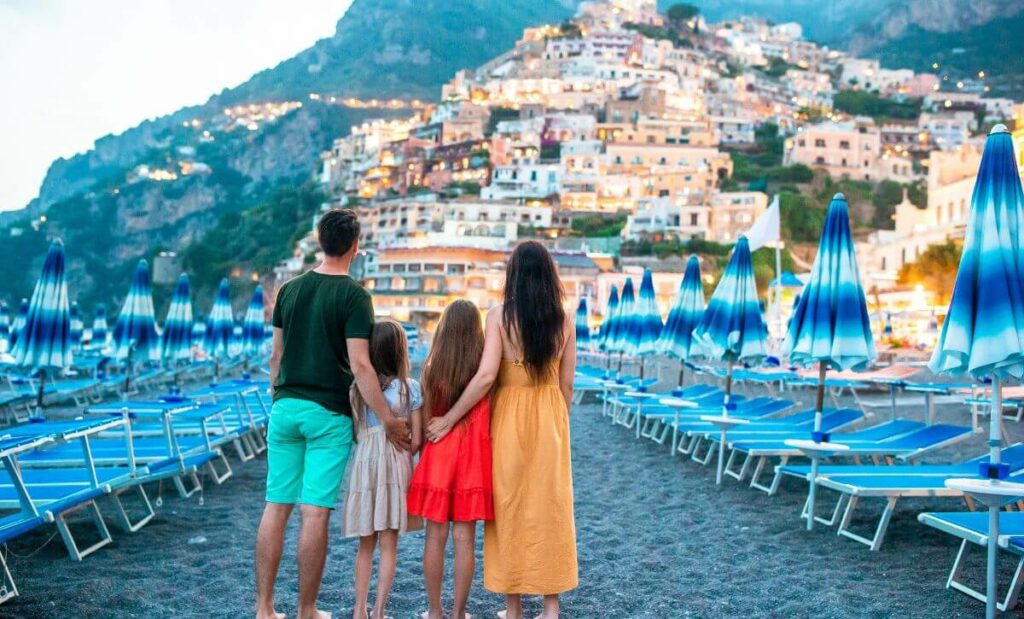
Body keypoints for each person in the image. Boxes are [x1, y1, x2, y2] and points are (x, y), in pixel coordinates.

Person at [255, 208, 411, 619]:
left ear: (319, 241)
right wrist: (389, 419)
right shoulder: (355, 296)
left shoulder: (289, 290)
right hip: (328, 413)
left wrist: (280, 396)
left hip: (285, 407)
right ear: (356, 247)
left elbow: (276, 357)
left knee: (276, 506)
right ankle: (307, 609)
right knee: (314, 511)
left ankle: (264, 608)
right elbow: (361, 366)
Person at [426, 241, 578, 619]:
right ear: (549, 276)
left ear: (514, 275)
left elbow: (486, 377)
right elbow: (568, 385)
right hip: (549, 415)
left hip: (508, 414)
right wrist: (558, 420)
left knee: (508, 508)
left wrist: (450, 417)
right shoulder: (565, 317)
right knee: (551, 507)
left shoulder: (499, 315)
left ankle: (513, 608)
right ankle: (551, 606)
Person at [407, 300, 494, 619]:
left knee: (435, 536)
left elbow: (429, 418)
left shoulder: (433, 368)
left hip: (439, 457)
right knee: (465, 539)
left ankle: (435, 611)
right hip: (472, 459)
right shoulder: (484, 369)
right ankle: (458, 613)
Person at [342, 319, 424, 619]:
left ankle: (359, 610)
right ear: (400, 351)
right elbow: (416, 441)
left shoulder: (357, 390)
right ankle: (378, 612)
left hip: (365, 465)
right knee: (389, 543)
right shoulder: (409, 388)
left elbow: (355, 432)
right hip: (395, 466)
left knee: (366, 543)